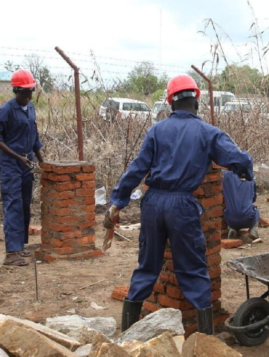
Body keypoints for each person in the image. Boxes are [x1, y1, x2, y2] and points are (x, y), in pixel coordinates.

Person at [104, 75, 253, 335]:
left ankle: (127, 335)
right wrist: (246, 171)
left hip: (152, 203)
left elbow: (137, 169)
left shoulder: (156, 130)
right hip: (182, 206)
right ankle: (206, 337)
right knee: (193, 268)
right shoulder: (208, 132)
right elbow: (238, 161)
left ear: (170, 101)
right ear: (196, 100)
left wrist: (117, 201)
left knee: (147, 265)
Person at [0, 69, 44, 267]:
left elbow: (34, 137)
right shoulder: (6, 110)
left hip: (26, 162)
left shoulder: (29, 108)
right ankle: (11, 253)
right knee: (13, 204)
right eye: (24, 93)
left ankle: (20, 246)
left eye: (31, 92)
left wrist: (41, 161)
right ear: (16, 91)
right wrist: (17, 156)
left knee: (24, 204)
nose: (28, 96)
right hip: (11, 164)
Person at [223, 170, 259, 240]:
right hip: (248, 219)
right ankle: (253, 231)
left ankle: (232, 229)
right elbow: (253, 199)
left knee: (229, 209)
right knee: (256, 211)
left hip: (230, 220)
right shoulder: (250, 179)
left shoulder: (226, 177)